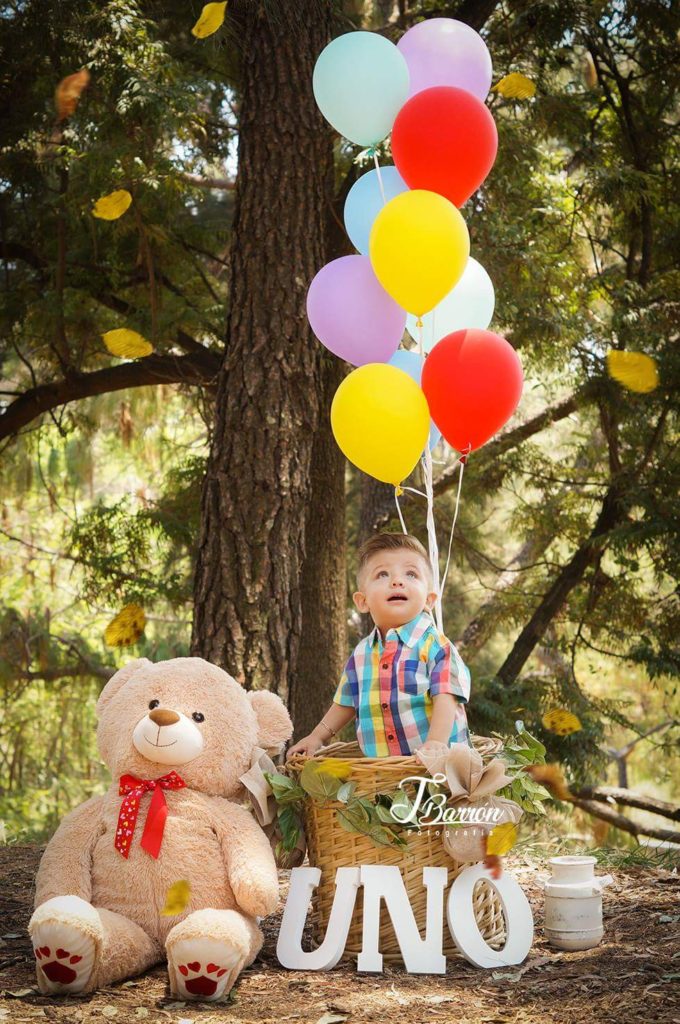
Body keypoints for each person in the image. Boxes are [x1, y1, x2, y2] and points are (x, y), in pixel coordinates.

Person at [287, 533, 471, 760]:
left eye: (411, 574)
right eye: (382, 574)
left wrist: (436, 741)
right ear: (362, 601)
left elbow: (446, 696)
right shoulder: (362, 654)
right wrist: (316, 737)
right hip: (383, 774)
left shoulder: (436, 646)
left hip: (439, 766)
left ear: (428, 600)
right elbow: (346, 702)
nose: (397, 581)